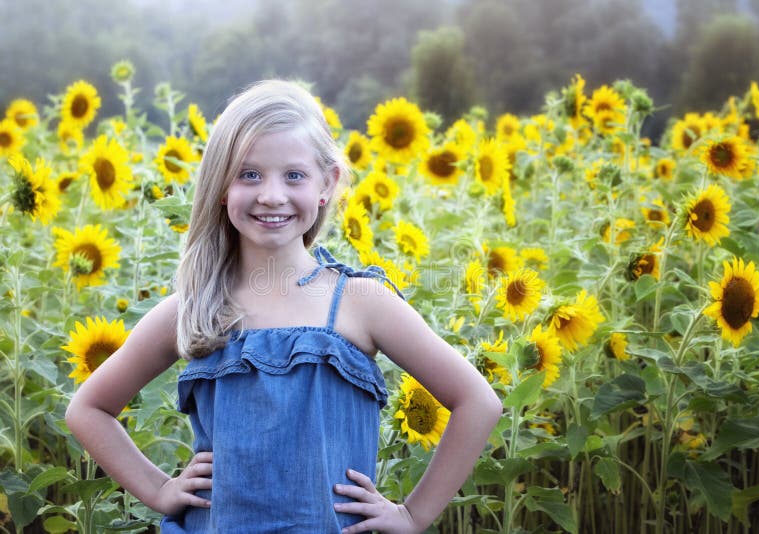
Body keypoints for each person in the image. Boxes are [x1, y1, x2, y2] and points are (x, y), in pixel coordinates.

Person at [65, 79, 502, 533]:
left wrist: (413, 514)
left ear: (326, 185)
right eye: (248, 174)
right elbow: (88, 410)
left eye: (293, 175)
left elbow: (477, 401)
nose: (271, 195)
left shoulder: (360, 301)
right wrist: (158, 489)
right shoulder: (197, 306)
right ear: (219, 185)